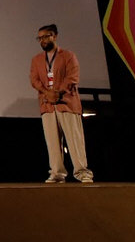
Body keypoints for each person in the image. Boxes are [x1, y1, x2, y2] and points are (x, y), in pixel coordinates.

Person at [30, 24, 93, 182]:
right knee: (52, 142)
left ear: (55, 36)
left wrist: (58, 92)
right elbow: (34, 79)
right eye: (40, 38)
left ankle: (82, 172)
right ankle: (57, 174)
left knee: (74, 139)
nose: (43, 40)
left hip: (67, 103)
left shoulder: (68, 56)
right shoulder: (37, 59)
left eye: (46, 36)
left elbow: (73, 77)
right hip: (47, 105)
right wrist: (47, 93)